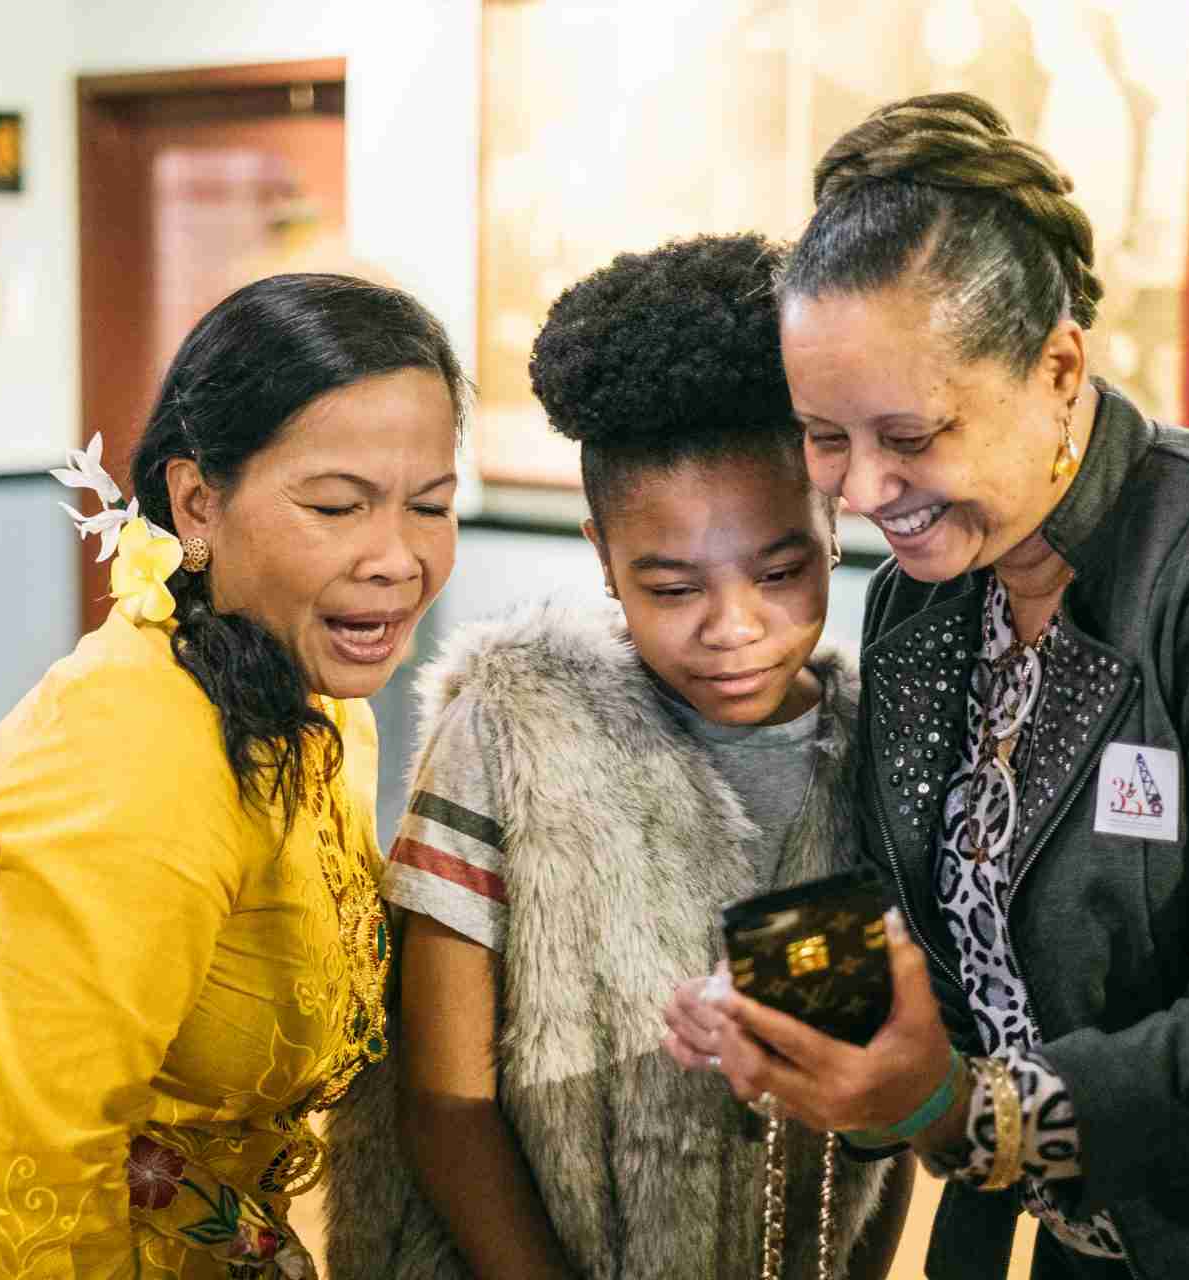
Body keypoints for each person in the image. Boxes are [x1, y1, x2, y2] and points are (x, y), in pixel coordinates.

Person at [665, 93, 1189, 1278]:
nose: (867, 489)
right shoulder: (925, 600)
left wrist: (963, 1110)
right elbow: (927, 908)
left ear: (1058, 366)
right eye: (824, 437)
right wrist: (782, 997)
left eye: (912, 433)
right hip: (1082, 1237)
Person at [0, 274, 469, 1279]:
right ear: (198, 499)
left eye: (431, 504)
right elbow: (39, 1162)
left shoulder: (312, 691)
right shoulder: (135, 758)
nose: (397, 557)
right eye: (337, 505)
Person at [324, 235, 911, 1280]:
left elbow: (867, 1108)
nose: (734, 626)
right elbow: (444, 1103)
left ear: (833, 514)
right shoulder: (512, 729)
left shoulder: (870, 749)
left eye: (781, 571)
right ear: (602, 553)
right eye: (673, 587)